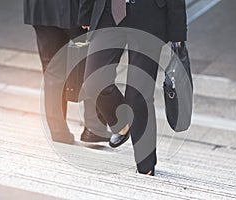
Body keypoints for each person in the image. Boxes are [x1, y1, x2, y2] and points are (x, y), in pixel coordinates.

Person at [79, 0, 187, 175]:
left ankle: (146, 167)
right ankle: (122, 121)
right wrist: (85, 13)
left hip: (149, 17)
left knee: (138, 95)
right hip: (108, 13)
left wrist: (178, 31)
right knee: (94, 81)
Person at [23, 0, 111, 144]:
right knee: (93, 63)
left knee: (52, 70)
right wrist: (87, 12)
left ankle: (58, 132)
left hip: (39, 8)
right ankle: (94, 127)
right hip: (74, 9)